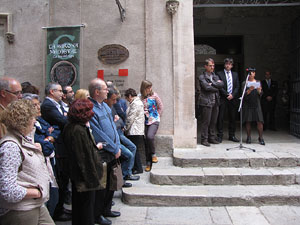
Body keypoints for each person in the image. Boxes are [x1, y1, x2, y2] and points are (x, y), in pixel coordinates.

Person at [0, 99, 54, 225]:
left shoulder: (22, 140)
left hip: (34, 205)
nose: (35, 121)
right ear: (22, 121)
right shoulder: (11, 146)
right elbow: (8, 190)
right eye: (32, 118)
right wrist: (37, 192)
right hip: (20, 210)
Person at [63, 99, 104, 225]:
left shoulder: (75, 127)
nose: (92, 113)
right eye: (89, 110)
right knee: (85, 210)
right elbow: (83, 157)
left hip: (81, 176)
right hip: (84, 177)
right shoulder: (78, 130)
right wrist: (92, 179)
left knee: (82, 208)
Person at [88, 78, 121, 225]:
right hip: (103, 153)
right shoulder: (91, 109)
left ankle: (107, 208)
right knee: (102, 186)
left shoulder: (105, 106)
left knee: (112, 184)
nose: (107, 91)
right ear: (96, 92)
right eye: (105, 89)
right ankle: (98, 214)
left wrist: (118, 146)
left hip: (114, 151)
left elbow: (113, 128)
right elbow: (98, 133)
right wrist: (113, 148)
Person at [23, 93, 60, 218]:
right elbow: (46, 148)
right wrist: (48, 139)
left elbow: (55, 129)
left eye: (38, 104)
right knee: (49, 199)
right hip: (40, 166)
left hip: (49, 163)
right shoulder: (27, 127)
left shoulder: (40, 120)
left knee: (54, 196)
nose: (38, 107)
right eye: (34, 105)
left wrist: (48, 137)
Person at [40, 83, 71, 221]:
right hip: (57, 147)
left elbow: (61, 122)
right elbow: (62, 121)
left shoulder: (57, 105)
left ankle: (61, 207)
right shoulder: (48, 105)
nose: (62, 94)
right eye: (59, 91)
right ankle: (58, 211)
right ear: (52, 91)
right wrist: (65, 118)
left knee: (64, 179)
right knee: (60, 179)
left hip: (60, 143)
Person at [104, 87, 139, 185]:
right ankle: (122, 178)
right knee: (128, 154)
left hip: (119, 133)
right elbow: (112, 124)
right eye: (113, 99)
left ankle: (127, 174)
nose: (115, 102)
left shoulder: (111, 106)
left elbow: (119, 119)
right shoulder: (104, 108)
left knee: (133, 147)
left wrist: (119, 123)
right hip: (114, 138)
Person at [198, 58, 224, 147]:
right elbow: (206, 87)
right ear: (205, 66)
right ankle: (204, 139)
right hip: (206, 102)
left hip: (215, 101)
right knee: (206, 121)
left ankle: (211, 137)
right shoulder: (202, 77)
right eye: (210, 66)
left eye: (213, 65)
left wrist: (212, 84)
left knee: (213, 121)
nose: (212, 67)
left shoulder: (215, 76)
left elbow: (221, 85)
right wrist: (216, 86)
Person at [140, 80, 163, 172]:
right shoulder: (140, 97)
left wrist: (157, 115)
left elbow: (160, 106)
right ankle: (148, 163)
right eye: (148, 87)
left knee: (150, 137)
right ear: (144, 88)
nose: (150, 89)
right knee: (146, 142)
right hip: (144, 121)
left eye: (150, 87)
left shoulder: (154, 95)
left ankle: (153, 154)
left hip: (154, 120)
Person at [216, 58, 240, 143]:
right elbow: (219, 86)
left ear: (232, 65)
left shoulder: (235, 74)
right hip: (223, 98)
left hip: (233, 99)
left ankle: (232, 135)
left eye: (230, 64)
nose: (228, 65)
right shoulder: (219, 74)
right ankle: (219, 135)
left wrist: (233, 95)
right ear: (224, 64)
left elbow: (237, 86)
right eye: (226, 63)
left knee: (233, 118)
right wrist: (227, 94)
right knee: (221, 117)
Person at [124, 88, 145, 175]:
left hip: (134, 130)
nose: (127, 100)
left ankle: (137, 168)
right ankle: (137, 167)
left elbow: (130, 118)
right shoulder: (136, 103)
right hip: (135, 130)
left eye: (127, 98)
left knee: (133, 149)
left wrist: (125, 128)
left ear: (129, 96)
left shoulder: (135, 104)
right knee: (134, 149)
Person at [242, 67, 265, 145]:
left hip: (256, 103)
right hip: (248, 103)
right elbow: (243, 95)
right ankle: (248, 137)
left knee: (260, 121)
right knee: (248, 121)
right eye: (250, 73)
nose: (252, 74)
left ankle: (261, 137)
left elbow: (261, 94)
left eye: (253, 72)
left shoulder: (258, 82)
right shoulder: (244, 83)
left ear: (255, 74)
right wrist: (249, 90)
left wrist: (259, 91)